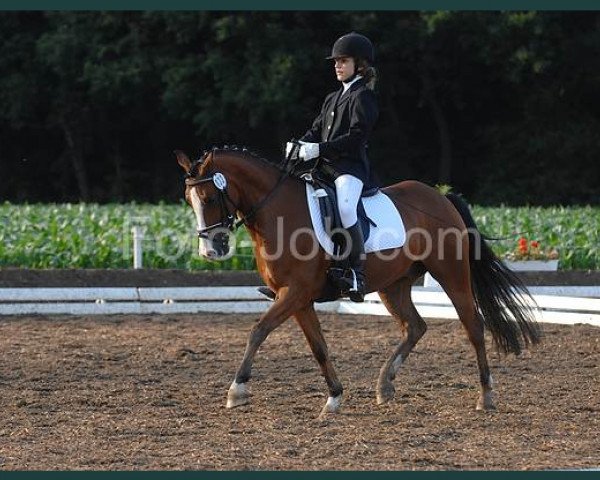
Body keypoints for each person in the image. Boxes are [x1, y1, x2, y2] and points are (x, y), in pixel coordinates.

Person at [288, 32, 379, 303]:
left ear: (359, 65)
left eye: (343, 61)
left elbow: (356, 137)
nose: (337, 66)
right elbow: (316, 130)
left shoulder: (363, 96)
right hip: (324, 169)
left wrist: (319, 149)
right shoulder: (332, 98)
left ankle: (355, 273)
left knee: (346, 208)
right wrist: (298, 144)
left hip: (350, 169)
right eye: (336, 62)